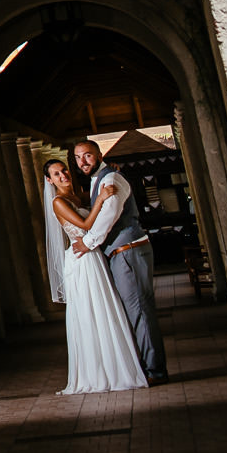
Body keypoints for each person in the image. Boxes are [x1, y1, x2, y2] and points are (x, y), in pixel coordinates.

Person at [69, 136, 169, 385]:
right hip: (121, 253)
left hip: (128, 251)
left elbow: (109, 216)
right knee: (136, 312)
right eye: (78, 157)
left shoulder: (111, 179)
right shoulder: (98, 180)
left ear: (99, 155)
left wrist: (88, 243)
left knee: (141, 313)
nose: (82, 161)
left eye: (88, 155)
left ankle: (155, 371)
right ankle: (148, 366)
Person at [45, 158, 149, 394]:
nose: (63, 176)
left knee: (107, 309)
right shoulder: (58, 202)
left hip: (94, 256)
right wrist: (101, 200)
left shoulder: (79, 196)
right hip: (81, 259)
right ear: (49, 180)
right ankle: (99, 372)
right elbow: (86, 224)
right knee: (92, 313)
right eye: (56, 174)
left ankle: (117, 365)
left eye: (64, 171)